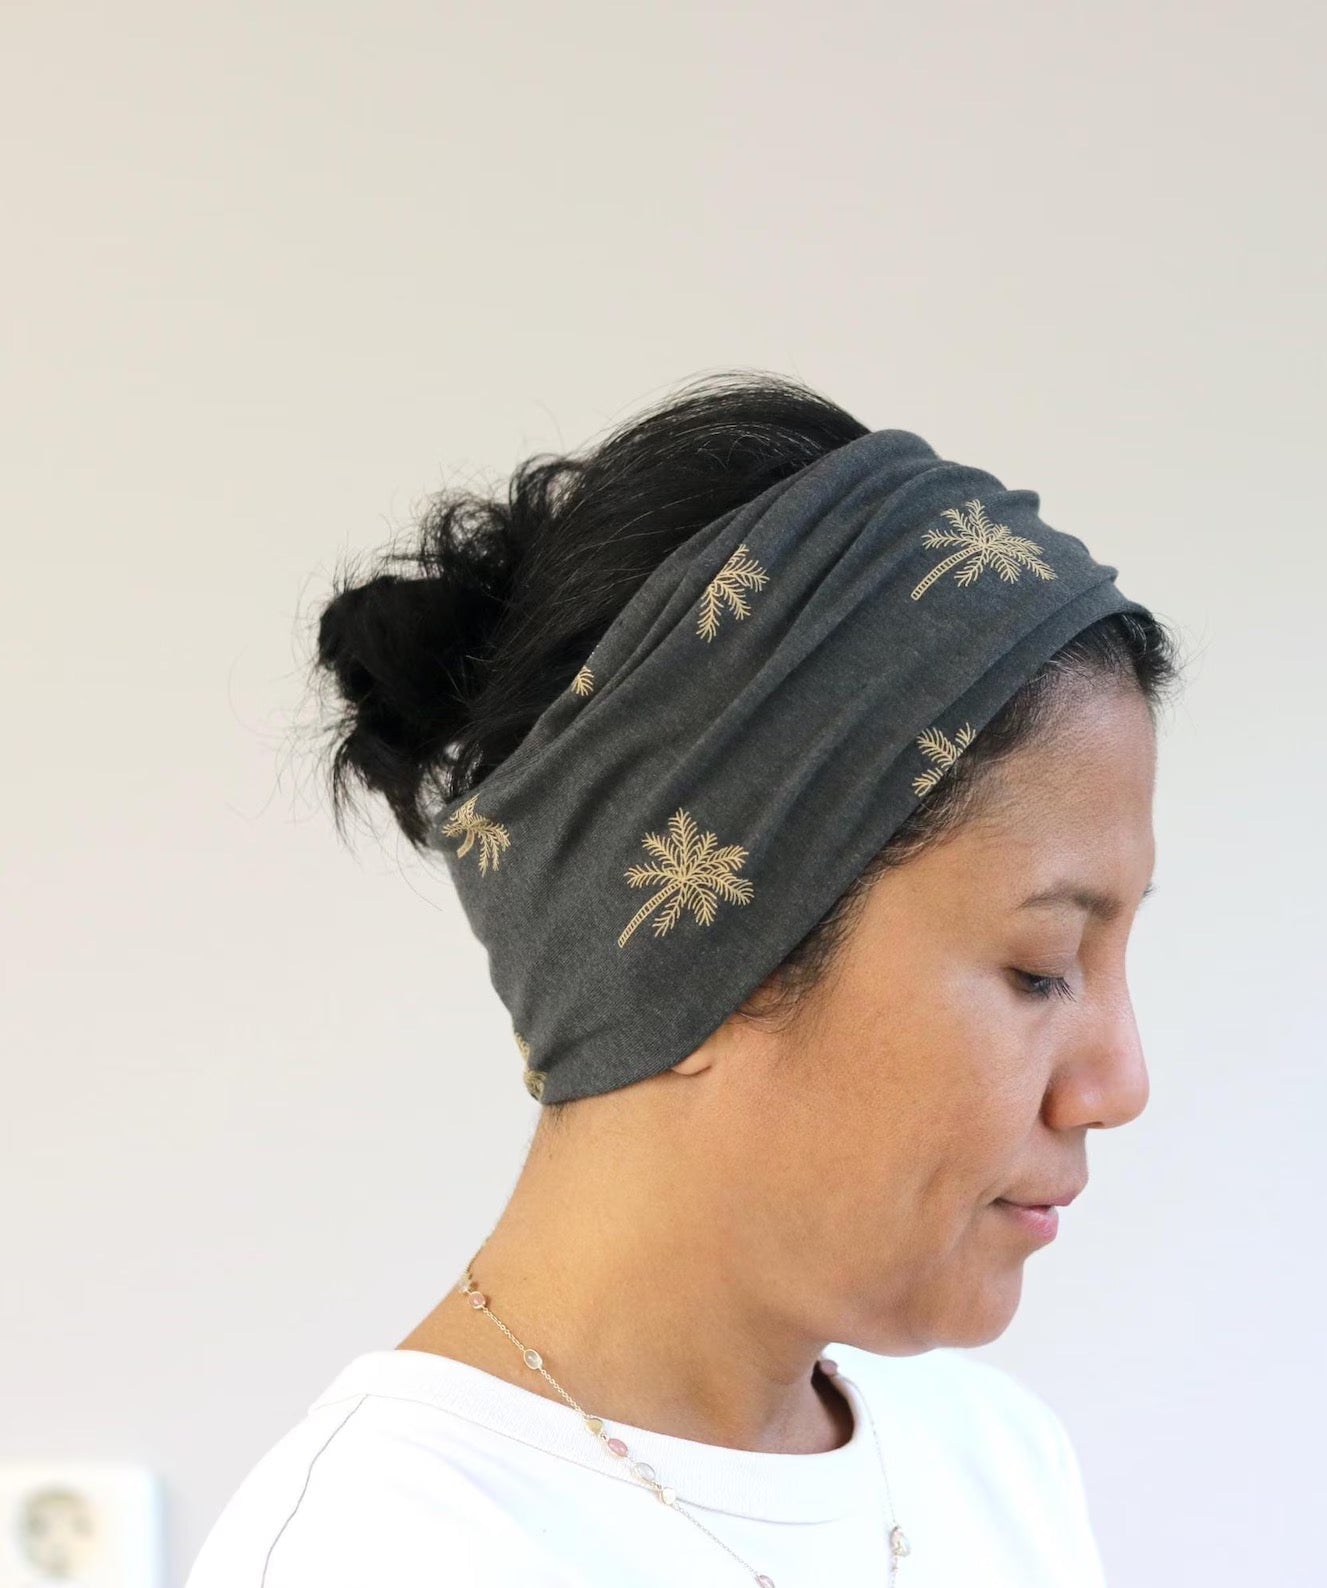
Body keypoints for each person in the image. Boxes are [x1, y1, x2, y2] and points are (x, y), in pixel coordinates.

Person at [184, 369, 1182, 1587]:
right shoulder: (391, 1550)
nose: (1118, 1081)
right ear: (713, 945)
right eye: (1040, 969)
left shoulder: (995, 1463)